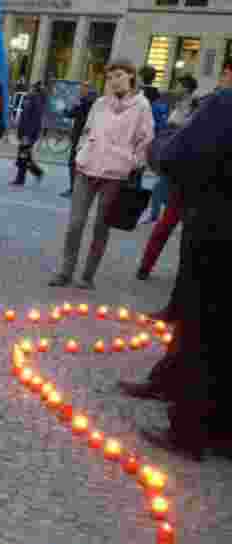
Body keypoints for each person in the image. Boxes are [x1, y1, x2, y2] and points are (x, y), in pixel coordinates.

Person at [126, 84, 232, 461]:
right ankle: (219, 429)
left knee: (203, 329)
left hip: (217, 234)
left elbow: (178, 157)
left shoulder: (224, 103)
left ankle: (189, 429)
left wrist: (166, 140)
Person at [48, 59, 153, 289]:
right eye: (110, 77)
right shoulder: (100, 104)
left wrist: (131, 162)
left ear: (131, 76)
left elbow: (146, 141)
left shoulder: (141, 106)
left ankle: (87, 277)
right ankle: (65, 271)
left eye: (119, 75)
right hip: (87, 168)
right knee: (75, 223)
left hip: (115, 175)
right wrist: (81, 151)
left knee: (101, 227)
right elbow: (87, 130)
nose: (114, 81)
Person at [141, 57, 232, 320]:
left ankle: (182, 313)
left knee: (194, 257)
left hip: (205, 198)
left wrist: (158, 148)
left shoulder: (220, 102)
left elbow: (178, 152)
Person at [136, 74, 200, 280]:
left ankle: (152, 267)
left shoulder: (197, 105)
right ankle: (145, 266)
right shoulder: (178, 102)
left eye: (180, 85)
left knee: (176, 224)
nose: (177, 87)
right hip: (179, 171)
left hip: (188, 173)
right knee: (167, 221)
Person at [60, 82, 96, 198]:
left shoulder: (84, 102)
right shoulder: (94, 102)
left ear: (87, 89)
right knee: (84, 164)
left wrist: (65, 110)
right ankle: (80, 190)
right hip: (88, 137)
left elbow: (73, 113)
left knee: (74, 163)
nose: (80, 90)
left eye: (83, 88)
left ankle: (74, 189)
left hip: (80, 137)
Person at [10, 81, 46, 185]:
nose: (30, 88)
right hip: (26, 133)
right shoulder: (32, 98)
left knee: (23, 156)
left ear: (34, 88)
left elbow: (34, 119)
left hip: (28, 134)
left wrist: (27, 135)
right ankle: (37, 172)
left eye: (32, 87)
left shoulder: (34, 99)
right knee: (25, 155)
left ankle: (21, 179)